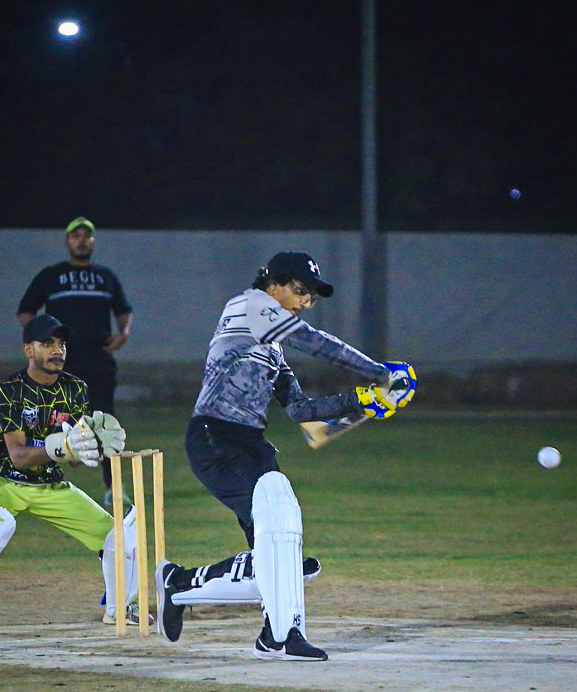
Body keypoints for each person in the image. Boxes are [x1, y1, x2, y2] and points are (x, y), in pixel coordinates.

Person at [155, 251, 416, 661]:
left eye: (310, 296)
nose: (305, 301)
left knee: (278, 554)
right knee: (278, 537)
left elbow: (299, 410)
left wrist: (362, 400)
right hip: (214, 437)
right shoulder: (247, 305)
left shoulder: (272, 347)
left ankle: (224, 608)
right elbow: (316, 342)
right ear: (272, 283)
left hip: (251, 445)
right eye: (299, 290)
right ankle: (271, 630)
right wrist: (380, 373)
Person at [0, 314, 142, 631]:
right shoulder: (11, 389)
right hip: (2, 480)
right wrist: (62, 447)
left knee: (117, 535)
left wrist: (93, 447)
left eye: (62, 344)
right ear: (28, 349)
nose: (58, 350)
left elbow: (72, 452)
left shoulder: (75, 388)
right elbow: (18, 456)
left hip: (49, 485)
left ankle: (123, 607)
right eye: (48, 343)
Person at [17, 217, 133, 509]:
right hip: (60, 363)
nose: (82, 240)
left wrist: (123, 333)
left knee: (106, 423)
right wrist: (41, 340)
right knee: (51, 420)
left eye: (86, 235)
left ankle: (114, 488)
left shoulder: (105, 276)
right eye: (76, 235)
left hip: (98, 360)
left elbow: (123, 311)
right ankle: (38, 481)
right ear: (67, 241)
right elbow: (26, 311)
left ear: (93, 241)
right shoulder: (52, 276)